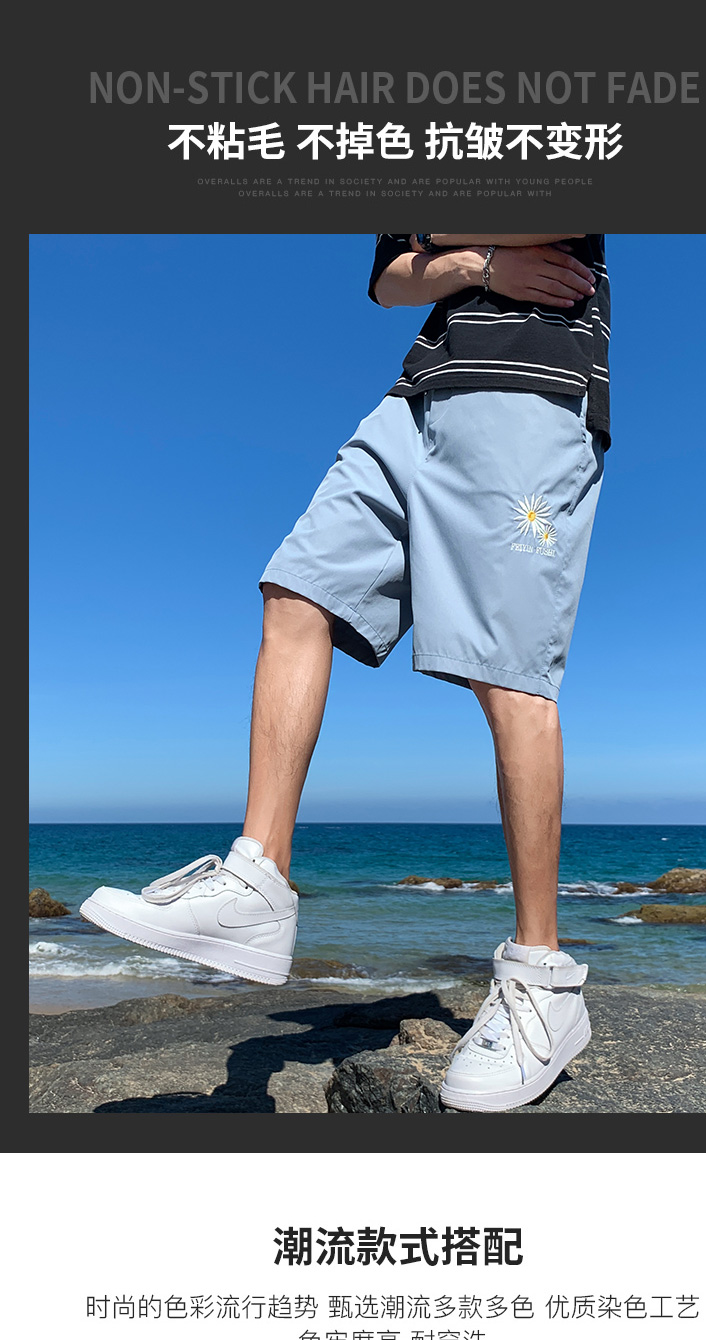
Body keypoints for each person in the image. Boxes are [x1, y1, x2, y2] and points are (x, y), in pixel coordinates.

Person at [81, 232, 611, 1113]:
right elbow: (391, 281)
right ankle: (258, 879)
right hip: (413, 397)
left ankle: (541, 981)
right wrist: (480, 265)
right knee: (297, 590)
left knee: (509, 675)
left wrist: (449, 244)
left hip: (528, 387)